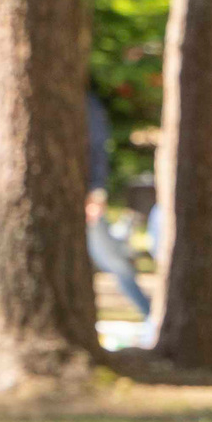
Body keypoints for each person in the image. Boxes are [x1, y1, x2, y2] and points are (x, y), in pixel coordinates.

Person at [87, 87, 150, 320]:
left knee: (115, 262)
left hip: (83, 196)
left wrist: (96, 190)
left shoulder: (85, 103)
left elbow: (97, 147)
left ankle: (152, 317)